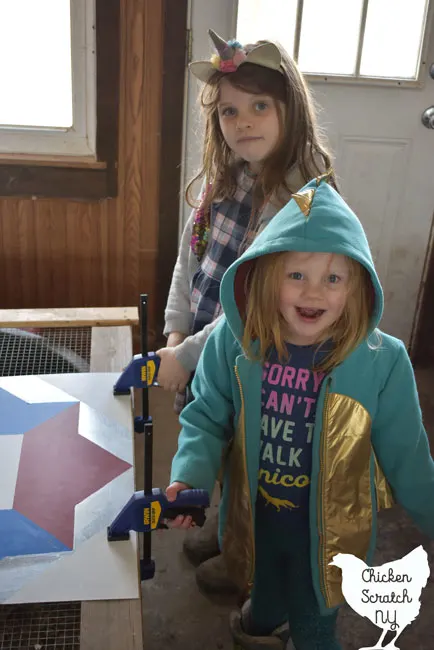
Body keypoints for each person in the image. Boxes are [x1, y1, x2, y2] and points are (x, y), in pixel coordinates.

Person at [166, 174, 434, 650]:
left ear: (356, 287)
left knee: (314, 622)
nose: (314, 293)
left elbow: (408, 454)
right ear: (267, 274)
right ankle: (261, 622)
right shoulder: (233, 342)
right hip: (257, 517)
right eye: (297, 276)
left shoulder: (381, 360)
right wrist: (190, 476)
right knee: (264, 587)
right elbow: (206, 415)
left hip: (330, 535)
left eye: (333, 278)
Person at [158, 27, 336, 595]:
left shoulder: (298, 199)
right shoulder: (226, 179)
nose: (244, 121)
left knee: (259, 462)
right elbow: (190, 259)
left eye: (260, 106)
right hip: (214, 354)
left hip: (269, 360)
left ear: (292, 109)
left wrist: (184, 354)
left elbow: (248, 302)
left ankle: (252, 562)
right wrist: (175, 326)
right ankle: (232, 532)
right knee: (225, 442)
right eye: (230, 111)